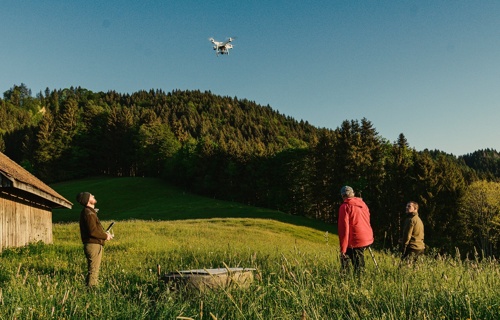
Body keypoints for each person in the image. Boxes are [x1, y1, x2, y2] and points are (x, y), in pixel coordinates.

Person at [77, 192, 113, 288]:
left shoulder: (89, 212)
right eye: (91, 196)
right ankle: (91, 292)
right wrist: (106, 237)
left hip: (94, 244)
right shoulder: (88, 213)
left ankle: (89, 289)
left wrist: (104, 234)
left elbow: (94, 230)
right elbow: (92, 232)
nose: (94, 196)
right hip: (93, 245)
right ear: (88, 200)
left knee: (93, 270)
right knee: (93, 271)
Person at [338, 185, 374, 274]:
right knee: (356, 259)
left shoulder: (345, 207)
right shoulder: (362, 204)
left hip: (356, 239)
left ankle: (354, 281)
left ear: (343, 196)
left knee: (347, 258)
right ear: (353, 194)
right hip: (368, 237)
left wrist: (343, 248)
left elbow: (344, 229)